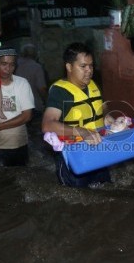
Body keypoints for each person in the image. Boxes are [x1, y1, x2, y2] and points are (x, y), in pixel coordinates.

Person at [42, 42, 114, 188]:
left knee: (107, 192)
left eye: (91, 65)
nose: (89, 70)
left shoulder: (93, 85)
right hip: (74, 159)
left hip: (99, 154)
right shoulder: (60, 92)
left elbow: (102, 106)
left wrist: (107, 116)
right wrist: (81, 131)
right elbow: (47, 124)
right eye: (83, 66)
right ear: (69, 67)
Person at [15, 43, 47, 117]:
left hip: (17, 105)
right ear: (35, 54)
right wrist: (47, 102)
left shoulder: (15, 65)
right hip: (33, 106)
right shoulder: (36, 67)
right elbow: (41, 88)